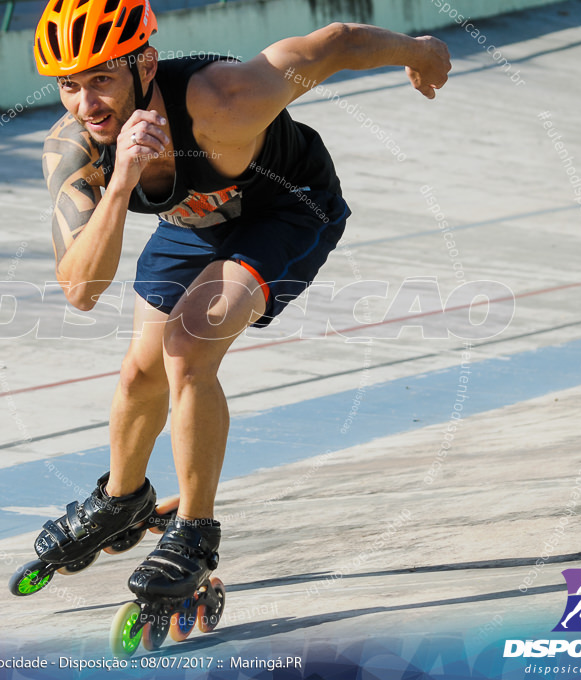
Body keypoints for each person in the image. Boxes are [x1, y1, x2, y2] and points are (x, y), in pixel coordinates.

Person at [29, 0, 451, 603]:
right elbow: (81, 290)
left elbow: (333, 43)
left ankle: (194, 535)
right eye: (69, 86)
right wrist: (120, 181)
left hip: (283, 207)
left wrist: (419, 52)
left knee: (187, 345)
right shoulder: (74, 149)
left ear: (145, 63)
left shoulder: (223, 97)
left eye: (103, 79)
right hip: (193, 222)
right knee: (139, 371)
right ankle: (122, 500)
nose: (86, 105)